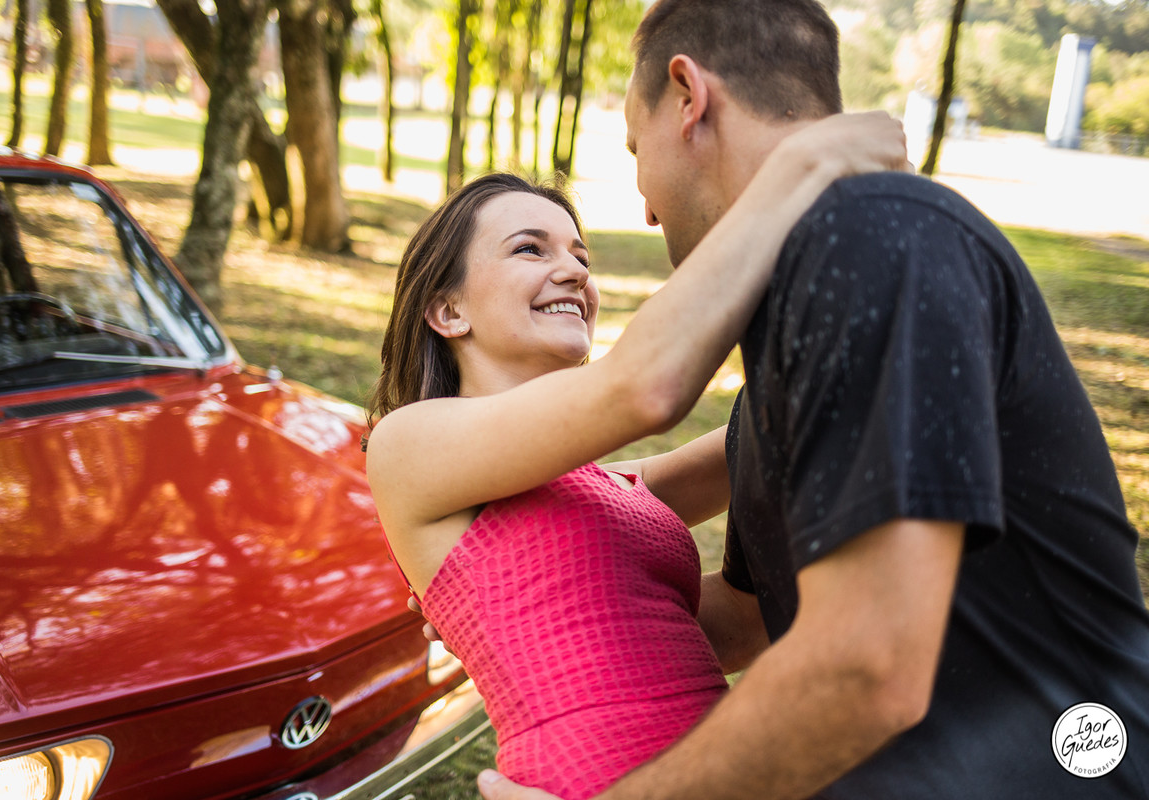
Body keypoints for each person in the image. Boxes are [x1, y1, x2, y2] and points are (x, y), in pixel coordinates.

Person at [476, 1, 1149, 799]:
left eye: (635, 148)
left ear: (689, 97)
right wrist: (513, 606)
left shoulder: (874, 237)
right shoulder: (787, 334)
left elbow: (865, 662)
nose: (646, 204)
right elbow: (758, 620)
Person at [364, 113, 908, 800]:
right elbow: (644, 386)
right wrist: (800, 168)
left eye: (580, 257)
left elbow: (742, 603)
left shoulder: (615, 489)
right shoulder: (408, 445)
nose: (572, 270)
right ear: (448, 310)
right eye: (531, 250)